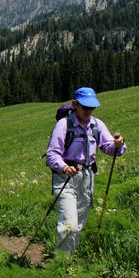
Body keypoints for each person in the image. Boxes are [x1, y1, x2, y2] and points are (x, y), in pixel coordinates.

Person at [46, 87, 126, 255]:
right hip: (65, 178)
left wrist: (118, 145)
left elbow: (109, 147)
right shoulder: (64, 125)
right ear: (75, 105)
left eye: (92, 108)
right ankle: (60, 264)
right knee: (69, 224)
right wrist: (65, 167)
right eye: (85, 108)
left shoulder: (96, 125)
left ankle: (67, 258)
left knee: (79, 224)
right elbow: (52, 154)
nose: (89, 111)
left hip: (87, 178)